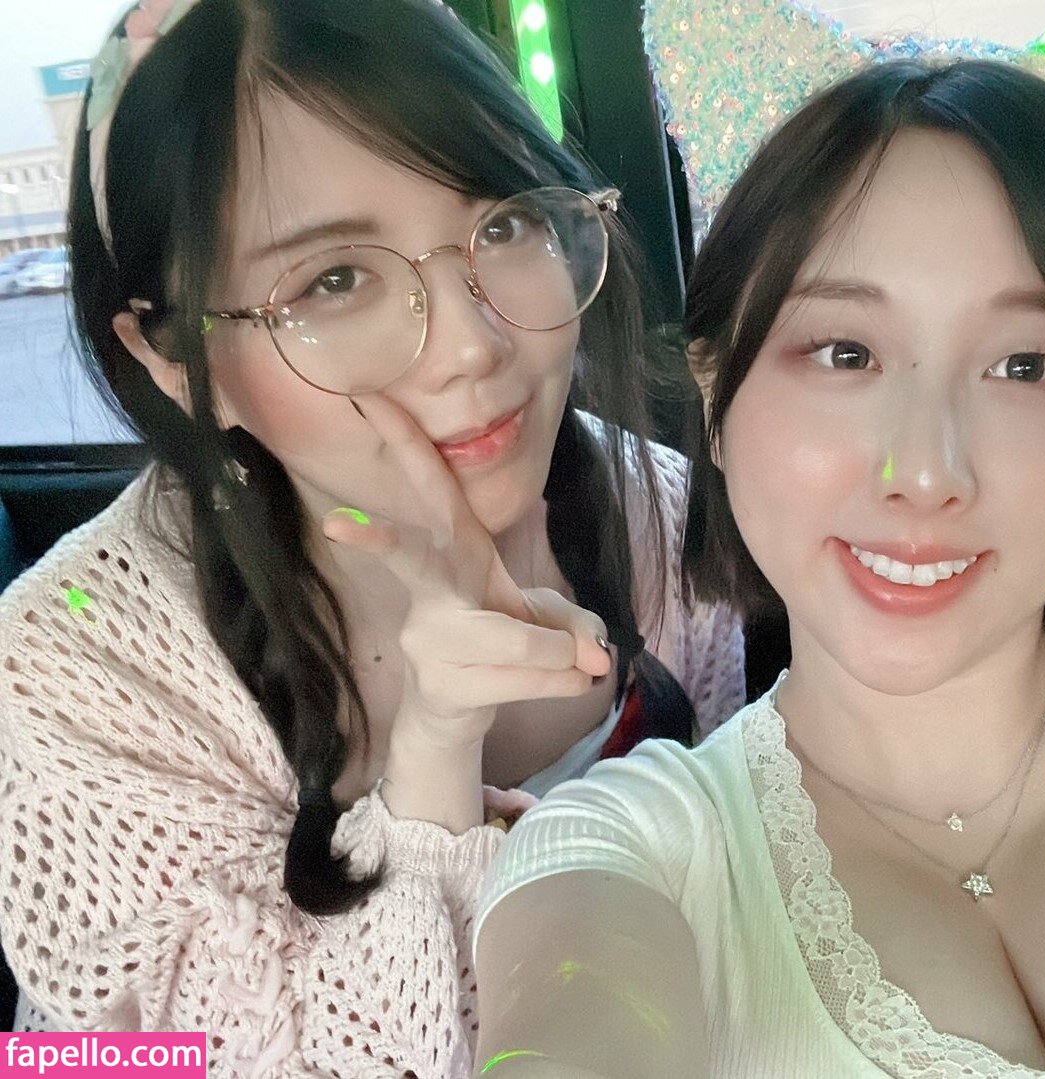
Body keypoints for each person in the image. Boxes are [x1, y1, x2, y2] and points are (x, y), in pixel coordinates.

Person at [472, 59, 1045, 1077]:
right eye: (846, 354)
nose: (927, 473)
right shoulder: (633, 852)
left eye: (1023, 366)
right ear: (716, 392)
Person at [0, 0, 743, 1071]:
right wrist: (435, 763)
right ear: (173, 360)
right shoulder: (75, 666)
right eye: (334, 280)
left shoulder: (659, 508)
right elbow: (154, 1056)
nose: (473, 344)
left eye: (504, 226)